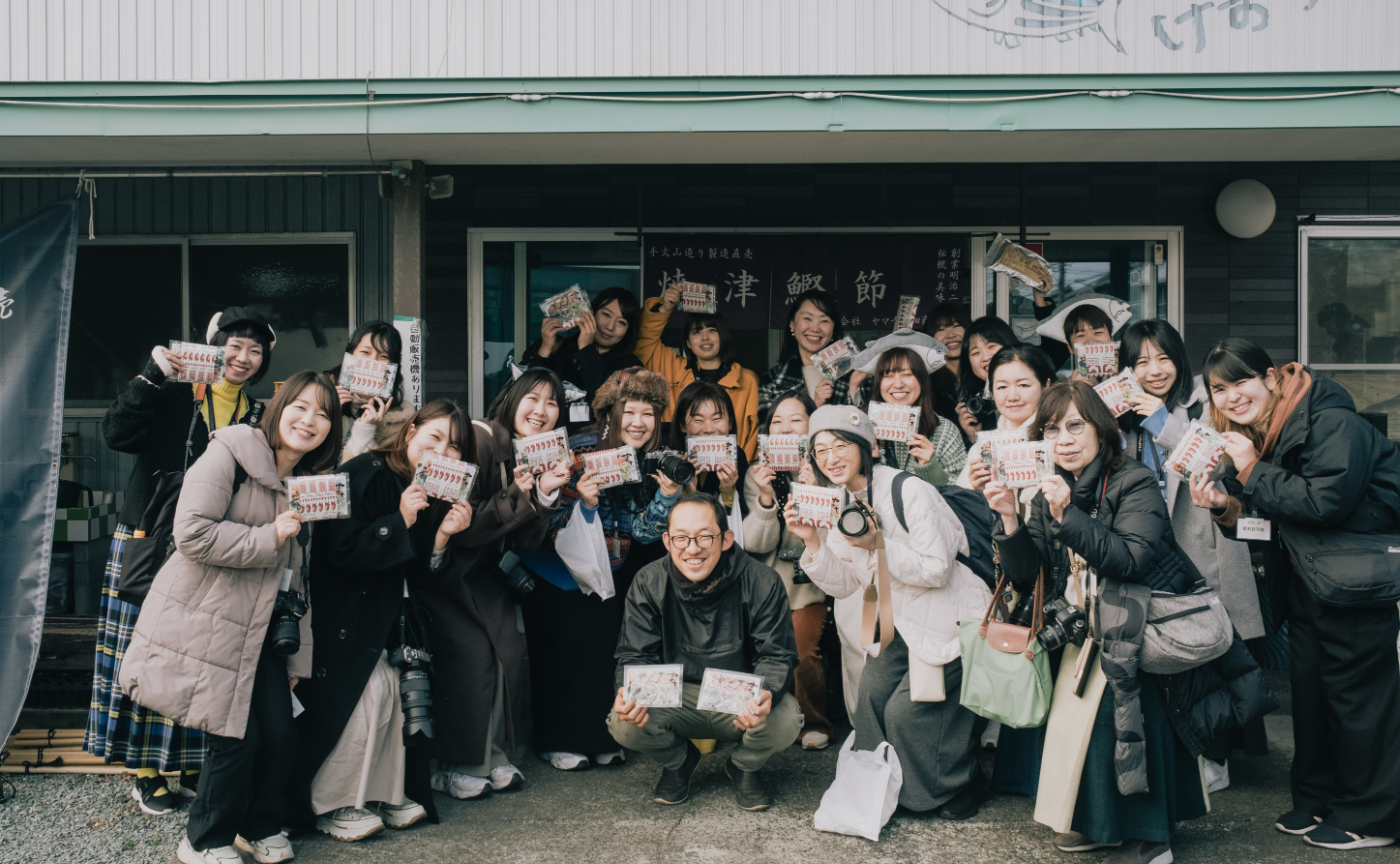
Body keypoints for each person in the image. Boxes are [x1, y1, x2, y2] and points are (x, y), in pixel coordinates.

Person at [117, 370, 340, 864]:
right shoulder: (231, 451)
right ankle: (203, 841)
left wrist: (298, 659)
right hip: (206, 620)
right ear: (279, 405)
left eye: (324, 414)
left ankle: (258, 826)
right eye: (301, 406)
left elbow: (296, 581)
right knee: (237, 740)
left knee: (282, 738)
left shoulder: (307, 484)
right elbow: (192, 534)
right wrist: (269, 537)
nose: (310, 421)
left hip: (262, 632)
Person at [987, 381, 1210, 863]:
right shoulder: (1048, 489)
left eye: (1075, 425)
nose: (1063, 438)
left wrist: (1066, 512)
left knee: (1123, 728)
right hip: (1082, 631)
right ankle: (1096, 824)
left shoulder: (1135, 480)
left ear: (1101, 430)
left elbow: (1130, 560)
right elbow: (1031, 578)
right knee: (1082, 737)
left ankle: (1150, 841)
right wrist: (1008, 520)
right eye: (1051, 429)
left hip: (1134, 629)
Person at [1190, 339, 1400, 850]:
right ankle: (1318, 800)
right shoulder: (1264, 435)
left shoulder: (1331, 421)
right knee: (1311, 695)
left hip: (1357, 583)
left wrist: (1251, 472)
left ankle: (1372, 818)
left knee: (1358, 703)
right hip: (1312, 581)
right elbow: (1274, 522)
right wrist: (1225, 509)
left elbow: (1325, 503)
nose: (1232, 397)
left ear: (1270, 377)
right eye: (1219, 389)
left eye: (1241, 381)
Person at [88, 307, 275, 816]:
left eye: (255, 350)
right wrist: (152, 376)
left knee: (196, 653)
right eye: (234, 345)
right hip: (150, 536)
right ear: (211, 346)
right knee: (139, 650)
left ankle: (190, 760)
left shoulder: (257, 415)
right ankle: (142, 769)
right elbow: (116, 435)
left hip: (209, 544)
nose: (243, 357)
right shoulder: (172, 394)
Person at [786, 405, 992, 817]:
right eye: (820, 449)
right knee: (871, 698)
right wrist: (812, 542)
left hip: (949, 618)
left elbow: (936, 570)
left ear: (866, 447)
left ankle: (950, 787)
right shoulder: (842, 501)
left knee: (906, 711)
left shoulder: (909, 490)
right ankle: (881, 786)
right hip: (898, 622)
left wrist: (876, 544)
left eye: (841, 444)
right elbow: (845, 583)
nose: (831, 457)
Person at [290, 399, 478, 841]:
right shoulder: (368, 473)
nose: (442, 452)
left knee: (400, 690)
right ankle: (332, 802)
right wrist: (400, 519)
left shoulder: (424, 487)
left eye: (454, 447)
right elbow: (340, 553)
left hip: (383, 617)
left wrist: (443, 536)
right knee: (369, 691)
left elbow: (414, 571)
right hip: (340, 616)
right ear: (410, 432)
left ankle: (382, 793)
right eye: (434, 437)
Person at [1118, 321, 1267, 795]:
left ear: (1179, 359)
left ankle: (1215, 755)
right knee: (1163, 652)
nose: (1153, 369)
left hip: (1200, 540)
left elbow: (1218, 463)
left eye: (1162, 357)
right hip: (1145, 547)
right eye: (1141, 361)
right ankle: (1178, 754)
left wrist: (1162, 419)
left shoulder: (1204, 401)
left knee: (1209, 648)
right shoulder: (1120, 417)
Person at [519, 368, 682, 772]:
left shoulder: (650, 459)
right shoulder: (578, 447)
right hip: (557, 566)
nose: (639, 422)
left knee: (603, 647)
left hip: (606, 567)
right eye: (630, 411)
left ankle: (601, 736)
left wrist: (666, 498)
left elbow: (642, 532)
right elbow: (544, 514)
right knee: (564, 650)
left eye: (649, 413)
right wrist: (584, 499)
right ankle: (558, 740)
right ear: (611, 412)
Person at [423, 368, 574, 801]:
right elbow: (462, 520)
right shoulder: (481, 437)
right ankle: (454, 763)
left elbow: (525, 539)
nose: (541, 411)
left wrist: (544, 493)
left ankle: (491, 755)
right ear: (511, 398)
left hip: (485, 574)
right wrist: (518, 497)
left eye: (552, 403)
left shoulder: (534, 454)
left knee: (506, 654)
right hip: (446, 568)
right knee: (474, 657)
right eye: (533, 398)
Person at [608, 493, 802, 811]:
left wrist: (765, 690)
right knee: (622, 720)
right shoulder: (648, 581)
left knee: (785, 719)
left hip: (738, 697)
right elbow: (634, 654)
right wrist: (626, 690)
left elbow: (776, 654)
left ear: (726, 539)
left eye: (704, 537)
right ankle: (680, 761)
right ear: (668, 541)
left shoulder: (762, 580)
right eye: (682, 538)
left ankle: (744, 766)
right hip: (677, 695)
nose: (693, 548)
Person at [742, 389, 832, 751]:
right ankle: (753, 720)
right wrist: (765, 498)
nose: (786, 429)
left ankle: (813, 721)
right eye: (777, 422)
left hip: (810, 586)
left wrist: (814, 491)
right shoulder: (756, 474)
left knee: (800, 647)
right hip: (768, 588)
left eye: (796, 421)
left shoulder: (826, 468)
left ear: (812, 429)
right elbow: (755, 543)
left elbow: (831, 539)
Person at [635, 283, 760, 458]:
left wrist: (738, 471)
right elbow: (642, 345)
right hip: (680, 468)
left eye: (712, 330)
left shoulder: (747, 379)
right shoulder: (673, 368)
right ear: (687, 342)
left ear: (722, 336)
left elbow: (752, 434)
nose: (705, 338)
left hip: (728, 469)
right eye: (696, 332)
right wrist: (665, 308)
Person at [522, 286, 643, 432]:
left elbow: (614, 408)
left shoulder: (631, 366)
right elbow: (517, 394)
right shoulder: (557, 346)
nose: (610, 326)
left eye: (621, 322)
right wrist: (545, 348)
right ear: (591, 313)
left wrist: (586, 348)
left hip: (599, 449)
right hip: (546, 443)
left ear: (629, 331)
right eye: (606, 314)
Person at [958, 345, 1058, 493]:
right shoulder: (982, 450)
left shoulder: (1062, 440)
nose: (1012, 397)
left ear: (1046, 386)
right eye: (1002, 387)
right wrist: (977, 490)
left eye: (1023, 385)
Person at [867, 346, 967, 486]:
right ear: (879, 384)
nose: (898, 384)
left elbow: (962, 490)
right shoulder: (864, 429)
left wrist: (929, 467)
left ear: (922, 380)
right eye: (888, 376)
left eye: (907, 374)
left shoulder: (945, 430)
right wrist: (866, 460)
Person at [758, 288, 858, 416]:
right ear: (792, 324)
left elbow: (866, 428)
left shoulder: (853, 375)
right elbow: (767, 433)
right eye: (807, 318)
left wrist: (856, 387)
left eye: (824, 321)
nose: (815, 328)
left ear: (833, 328)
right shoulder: (770, 381)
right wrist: (815, 408)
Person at [331, 321, 415, 463]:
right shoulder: (320, 395)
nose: (373, 362)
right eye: (365, 352)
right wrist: (327, 413)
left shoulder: (400, 421)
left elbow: (372, 474)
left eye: (383, 357)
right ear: (350, 355)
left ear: (393, 368)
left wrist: (366, 428)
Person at [670, 381, 748, 512]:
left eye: (717, 419)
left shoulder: (737, 456)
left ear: (730, 423)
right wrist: (688, 491)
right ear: (683, 426)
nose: (709, 429)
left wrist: (728, 491)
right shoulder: (671, 460)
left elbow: (740, 522)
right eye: (698, 420)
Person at [1031, 293, 1133, 379]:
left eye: (1098, 332)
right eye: (1080, 335)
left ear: (1111, 340)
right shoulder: (1062, 390)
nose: (1091, 341)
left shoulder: (1134, 375)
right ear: (1070, 348)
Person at [955, 316, 1022, 442]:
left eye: (991, 346)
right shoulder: (979, 406)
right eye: (975, 353)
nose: (985, 357)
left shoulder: (1036, 389)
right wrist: (975, 436)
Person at [924, 301, 973, 426]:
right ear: (930, 337)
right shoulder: (925, 383)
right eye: (941, 329)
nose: (951, 335)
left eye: (956, 326)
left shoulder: (982, 375)